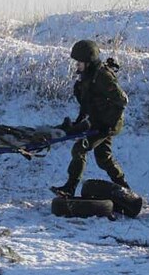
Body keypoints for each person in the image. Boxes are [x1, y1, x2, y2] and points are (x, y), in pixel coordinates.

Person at [50, 40, 130, 197]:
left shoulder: (103, 76)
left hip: (107, 124)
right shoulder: (88, 76)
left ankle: (70, 188)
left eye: (79, 62)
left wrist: (108, 125)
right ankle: (125, 189)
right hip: (98, 122)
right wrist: (77, 123)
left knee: (79, 148)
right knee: (103, 158)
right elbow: (87, 103)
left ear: (88, 61)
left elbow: (122, 101)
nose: (77, 65)